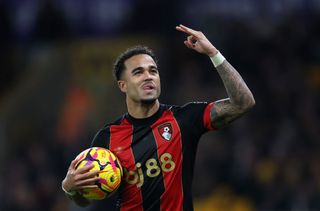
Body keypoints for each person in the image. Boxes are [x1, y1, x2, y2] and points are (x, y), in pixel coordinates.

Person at [62, 24, 255, 210]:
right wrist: (70, 189)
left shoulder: (184, 120)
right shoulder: (107, 138)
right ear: (123, 85)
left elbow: (243, 103)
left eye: (153, 71)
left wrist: (214, 54)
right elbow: (86, 201)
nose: (148, 76)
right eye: (138, 72)